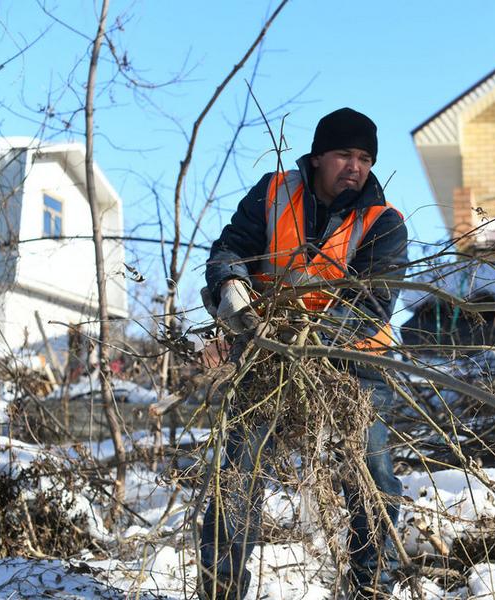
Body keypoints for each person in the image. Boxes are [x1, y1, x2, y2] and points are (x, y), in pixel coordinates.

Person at [201, 107, 408, 599]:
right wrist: (231, 283)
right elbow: (232, 248)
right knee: (237, 475)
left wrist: (301, 334)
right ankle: (220, 589)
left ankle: (371, 588)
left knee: (371, 475)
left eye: (364, 157)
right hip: (265, 357)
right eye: (343, 154)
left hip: (357, 366)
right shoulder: (273, 192)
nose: (354, 166)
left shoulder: (385, 222)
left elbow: (369, 307)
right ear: (317, 157)